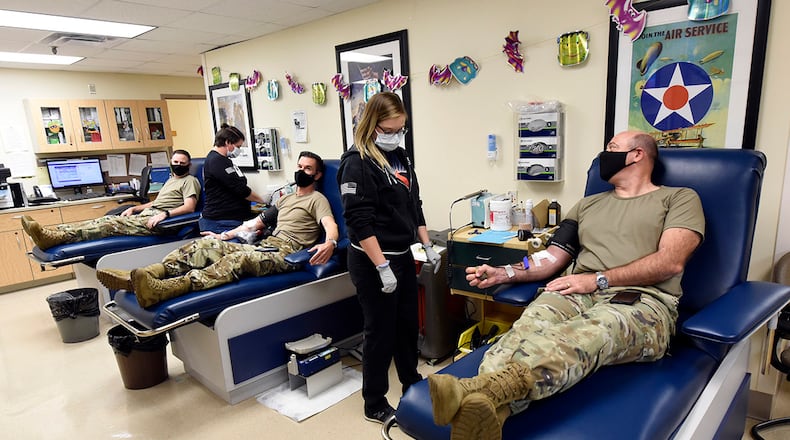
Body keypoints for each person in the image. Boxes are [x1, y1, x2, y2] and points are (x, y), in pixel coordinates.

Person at [427, 130, 706, 440]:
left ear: (637, 155)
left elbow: (670, 261)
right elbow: (552, 256)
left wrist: (598, 279)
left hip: (641, 300)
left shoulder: (679, 198)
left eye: (612, 148)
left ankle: (472, 391)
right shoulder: (587, 205)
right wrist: (506, 272)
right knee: (526, 328)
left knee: (592, 331)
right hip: (576, 290)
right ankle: (491, 408)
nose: (604, 155)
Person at [97, 151, 338, 309]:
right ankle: (149, 274)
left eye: (307, 169)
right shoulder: (285, 200)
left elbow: (330, 226)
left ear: (317, 174)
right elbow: (255, 224)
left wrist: (331, 243)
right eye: (299, 166)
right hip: (265, 244)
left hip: (287, 253)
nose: (301, 171)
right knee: (202, 245)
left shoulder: (317, 199)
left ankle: (167, 288)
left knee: (237, 258)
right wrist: (223, 236)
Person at [337, 92, 442, 424]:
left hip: (401, 255)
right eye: (390, 128)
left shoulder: (400, 157)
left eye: (401, 128)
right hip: (371, 261)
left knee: (407, 324)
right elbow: (358, 221)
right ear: (372, 125)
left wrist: (426, 245)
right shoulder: (356, 163)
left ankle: (411, 380)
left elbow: (414, 203)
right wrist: (381, 266)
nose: (396, 134)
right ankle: (374, 401)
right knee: (380, 330)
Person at [22, 150, 200, 250]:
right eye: (175, 161)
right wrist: (135, 209)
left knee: (108, 226)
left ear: (188, 165)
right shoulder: (171, 179)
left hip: (161, 223)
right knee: (104, 219)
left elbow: (189, 207)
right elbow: (156, 202)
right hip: (148, 214)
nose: (177, 165)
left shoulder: (190, 181)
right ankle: (50, 233)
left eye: (181, 163)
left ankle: (58, 237)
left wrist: (164, 215)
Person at [200, 123, 265, 234]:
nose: (239, 150)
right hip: (221, 221)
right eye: (238, 146)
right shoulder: (216, 161)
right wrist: (263, 200)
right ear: (227, 142)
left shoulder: (224, 160)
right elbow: (240, 189)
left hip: (231, 218)